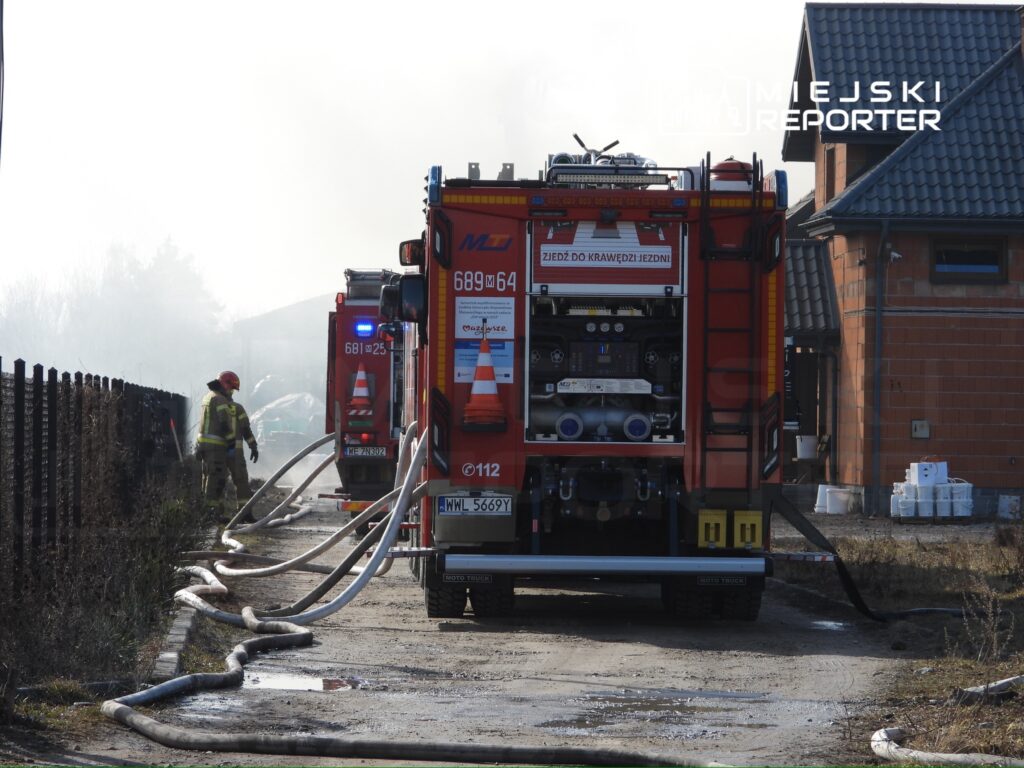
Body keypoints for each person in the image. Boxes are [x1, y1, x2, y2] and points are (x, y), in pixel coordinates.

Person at [196, 371, 236, 521]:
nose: (231, 393)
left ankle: (208, 511)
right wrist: (231, 443)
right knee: (217, 478)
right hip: (215, 446)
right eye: (231, 389)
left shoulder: (208, 396)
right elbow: (224, 423)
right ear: (225, 385)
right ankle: (211, 513)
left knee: (207, 476)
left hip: (203, 444)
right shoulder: (220, 400)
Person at [226, 392, 259, 523]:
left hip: (217, 451)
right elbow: (246, 430)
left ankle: (216, 515)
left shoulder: (211, 407)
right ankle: (244, 513)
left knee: (217, 483)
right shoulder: (237, 408)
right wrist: (253, 446)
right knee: (242, 483)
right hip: (235, 452)